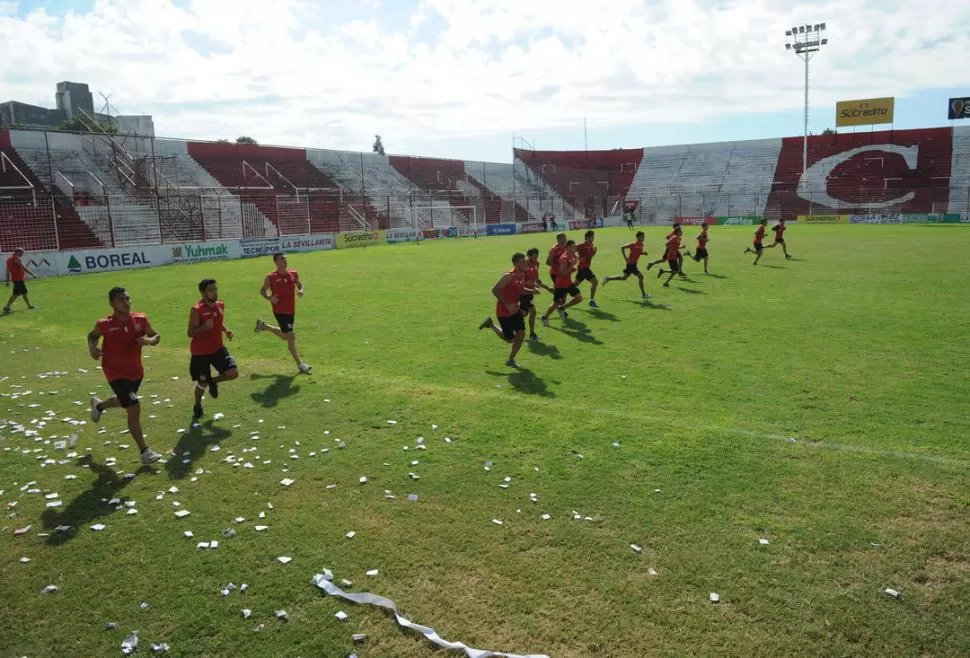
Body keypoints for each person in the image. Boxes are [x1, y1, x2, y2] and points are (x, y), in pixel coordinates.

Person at [87, 287, 163, 465]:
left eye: (128, 298)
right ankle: (145, 451)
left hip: (136, 371)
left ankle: (99, 406)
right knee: (133, 406)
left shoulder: (141, 320)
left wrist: (150, 341)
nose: (126, 302)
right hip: (114, 371)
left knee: (125, 400)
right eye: (121, 299)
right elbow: (92, 336)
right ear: (112, 303)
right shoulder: (104, 324)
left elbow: (156, 335)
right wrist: (92, 348)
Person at [188, 279, 238, 422]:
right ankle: (197, 407)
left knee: (233, 373)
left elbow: (218, 321)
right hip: (201, 353)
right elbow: (190, 332)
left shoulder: (220, 304)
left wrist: (226, 330)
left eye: (215, 289)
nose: (214, 292)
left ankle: (213, 381)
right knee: (201, 384)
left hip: (217, 348)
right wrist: (204, 328)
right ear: (203, 293)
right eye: (211, 290)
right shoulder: (197, 310)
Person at [255, 252, 311, 374]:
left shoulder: (293, 273)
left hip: (291, 310)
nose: (285, 260)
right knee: (291, 336)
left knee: (286, 336)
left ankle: (263, 326)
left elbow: (300, 285)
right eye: (282, 259)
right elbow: (262, 291)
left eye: (285, 258)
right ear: (276, 262)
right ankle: (300, 364)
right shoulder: (271, 277)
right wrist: (270, 298)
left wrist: (301, 290)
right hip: (280, 311)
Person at [478, 252, 536, 367]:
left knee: (521, 334)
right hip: (504, 312)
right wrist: (507, 304)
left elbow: (520, 289)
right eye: (522, 262)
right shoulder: (508, 276)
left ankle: (511, 359)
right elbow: (495, 290)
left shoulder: (522, 275)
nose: (525, 264)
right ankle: (491, 325)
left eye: (525, 261)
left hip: (516, 311)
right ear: (515, 264)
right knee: (509, 340)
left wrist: (531, 291)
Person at [541, 239, 583, 326]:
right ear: (568, 247)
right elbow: (563, 273)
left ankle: (562, 308)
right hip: (560, 284)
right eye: (573, 247)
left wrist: (573, 268)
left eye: (575, 246)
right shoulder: (564, 258)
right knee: (555, 303)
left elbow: (569, 269)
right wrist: (571, 266)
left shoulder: (572, 256)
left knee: (579, 298)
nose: (575, 248)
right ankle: (545, 317)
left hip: (568, 283)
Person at [602, 231, 651, 299]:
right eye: (642, 236)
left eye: (643, 236)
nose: (643, 238)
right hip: (631, 264)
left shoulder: (641, 244)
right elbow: (622, 247)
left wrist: (643, 253)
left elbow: (639, 252)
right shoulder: (633, 244)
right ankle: (644, 294)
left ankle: (608, 278)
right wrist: (625, 258)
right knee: (641, 277)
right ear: (638, 237)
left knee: (623, 278)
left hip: (633, 264)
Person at [522, 248, 553, 341]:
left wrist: (545, 287)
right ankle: (532, 334)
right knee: (532, 311)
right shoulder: (523, 265)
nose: (536, 258)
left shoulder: (537, 263)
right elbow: (519, 280)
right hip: (523, 292)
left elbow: (536, 278)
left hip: (530, 292)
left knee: (524, 312)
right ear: (529, 256)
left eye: (537, 256)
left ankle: (510, 325)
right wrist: (527, 283)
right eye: (534, 257)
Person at [3, 248, 36, 314]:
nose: (22, 254)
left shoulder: (8, 260)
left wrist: (7, 281)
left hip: (15, 279)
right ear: (17, 252)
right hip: (19, 280)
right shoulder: (17, 259)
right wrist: (32, 274)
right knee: (18, 294)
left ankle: (29, 306)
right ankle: (7, 307)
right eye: (22, 253)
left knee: (22, 294)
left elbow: (7, 271)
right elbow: (24, 268)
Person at [575, 230, 600, 308]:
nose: (593, 238)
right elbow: (570, 252)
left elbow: (589, 257)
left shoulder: (591, 245)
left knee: (573, 285)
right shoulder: (581, 245)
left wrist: (594, 252)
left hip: (584, 269)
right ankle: (592, 301)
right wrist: (578, 258)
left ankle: (562, 294)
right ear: (588, 237)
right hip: (583, 269)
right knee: (595, 282)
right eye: (592, 236)